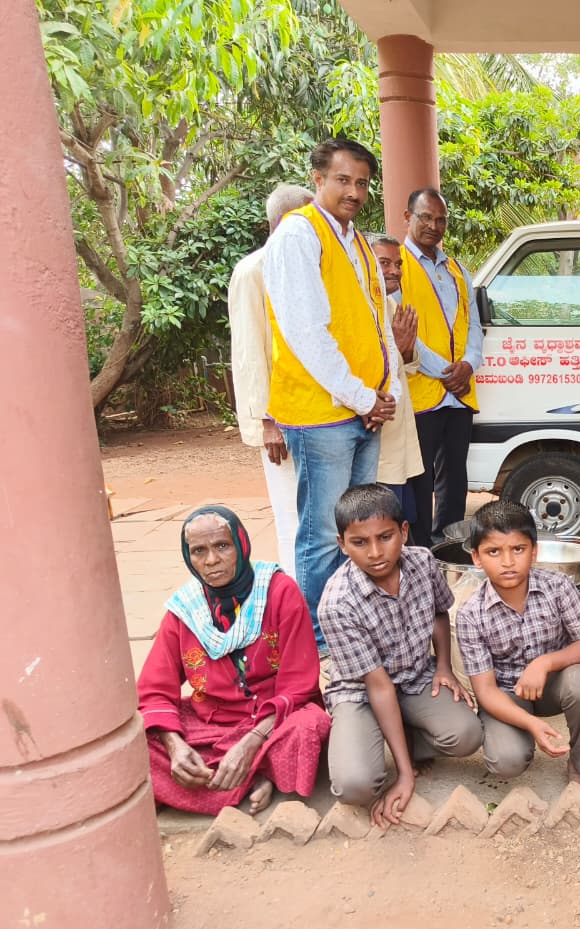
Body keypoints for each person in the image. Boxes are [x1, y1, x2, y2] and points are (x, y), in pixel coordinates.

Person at [262, 138, 403, 649]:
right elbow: (307, 335)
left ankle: (354, 624)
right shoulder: (299, 235)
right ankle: (320, 642)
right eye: (343, 180)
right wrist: (365, 397)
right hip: (322, 414)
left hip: (363, 409)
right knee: (324, 535)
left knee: (361, 531)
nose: (354, 191)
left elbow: (374, 324)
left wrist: (382, 396)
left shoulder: (357, 240)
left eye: (363, 183)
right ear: (318, 179)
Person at [137, 506, 330, 815]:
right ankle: (258, 777)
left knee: (309, 726)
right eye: (198, 551)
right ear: (188, 557)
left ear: (241, 545)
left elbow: (299, 686)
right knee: (139, 742)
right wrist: (175, 748)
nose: (211, 560)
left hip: (273, 721)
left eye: (222, 546)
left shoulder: (279, 592)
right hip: (210, 723)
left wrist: (252, 741)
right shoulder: (184, 610)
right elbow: (153, 690)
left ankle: (227, 780)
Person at [319, 484, 481, 826]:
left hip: (415, 675)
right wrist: (405, 775)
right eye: (360, 543)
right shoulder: (337, 603)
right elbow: (378, 688)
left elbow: (440, 612)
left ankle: (402, 734)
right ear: (342, 545)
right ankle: (376, 738)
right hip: (362, 691)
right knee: (355, 786)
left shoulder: (422, 562)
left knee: (467, 734)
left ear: (404, 532)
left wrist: (443, 667)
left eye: (386, 536)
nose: (376, 552)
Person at [455, 501, 580, 795]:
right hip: (506, 695)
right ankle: (520, 734)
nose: (508, 562)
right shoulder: (470, 614)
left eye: (518, 549)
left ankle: (579, 764)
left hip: (552, 686)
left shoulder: (559, 586)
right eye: (494, 552)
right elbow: (485, 691)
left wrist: (544, 663)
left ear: (534, 552)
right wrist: (531, 724)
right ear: (476, 557)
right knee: (506, 761)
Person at [227, 183, 314, 573]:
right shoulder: (252, 271)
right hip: (280, 420)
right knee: (292, 520)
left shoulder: (310, 266)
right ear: (285, 222)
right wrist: (268, 421)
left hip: (318, 414)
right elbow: (249, 354)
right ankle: (297, 609)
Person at [399, 187, 483, 545]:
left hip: (460, 394)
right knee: (418, 481)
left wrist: (468, 364)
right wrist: (446, 372)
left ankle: (448, 549)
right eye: (426, 217)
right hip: (422, 393)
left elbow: (474, 324)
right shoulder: (394, 265)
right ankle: (419, 554)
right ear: (408, 218)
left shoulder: (457, 268)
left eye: (441, 219)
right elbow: (397, 328)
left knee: (455, 480)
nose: (434, 225)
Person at [367, 234, 425, 510]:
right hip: (376, 439)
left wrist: (404, 350)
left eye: (398, 264)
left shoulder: (390, 306)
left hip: (398, 436)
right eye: (385, 263)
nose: (394, 271)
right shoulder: (361, 308)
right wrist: (397, 351)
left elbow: (411, 365)